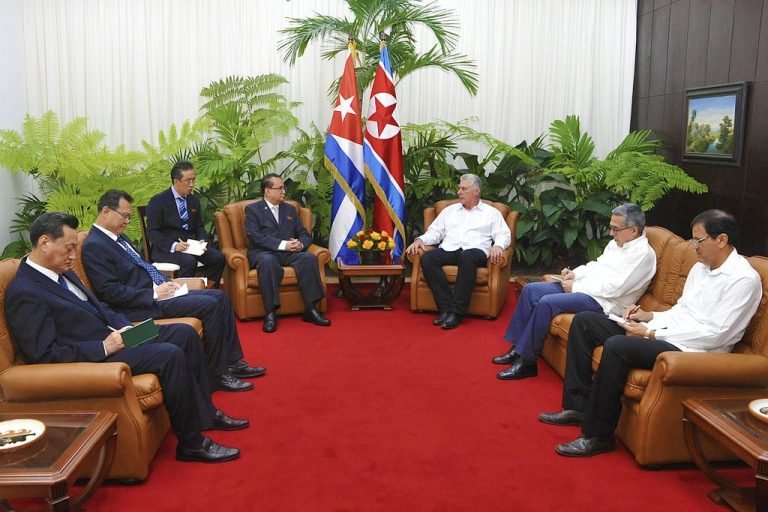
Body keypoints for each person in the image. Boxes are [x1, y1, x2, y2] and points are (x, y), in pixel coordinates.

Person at [6, 212, 247, 463]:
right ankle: (193, 444)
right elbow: (44, 354)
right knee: (169, 355)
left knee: (184, 333)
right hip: (99, 355)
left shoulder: (60, 270)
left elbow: (101, 308)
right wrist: (102, 347)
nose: (73, 256)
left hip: (118, 337)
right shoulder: (25, 291)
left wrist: (127, 328)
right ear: (44, 243)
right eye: (69, 248)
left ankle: (206, 413)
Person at [539, 210, 761, 457]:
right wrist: (649, 316)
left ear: (721, 240)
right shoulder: (701, 268)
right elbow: (682, 311)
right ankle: (578, 407)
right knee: (585, 323)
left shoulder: (743, 280)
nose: (693, 246)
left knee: (617, 347)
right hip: (669, 332)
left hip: (694, 350)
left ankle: (598, 435)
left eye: (698, 241)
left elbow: (716, 334)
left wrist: (652, 333)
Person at [82, 189, 265, 393]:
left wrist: (163, 283)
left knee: (221, 297)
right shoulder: (95, 245)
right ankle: (219, 373)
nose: (127, 221)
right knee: (210, 305)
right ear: (106, 211)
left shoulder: (118, 237)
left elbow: (141, 266)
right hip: (140, 306)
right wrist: (154, 293)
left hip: (157, 292)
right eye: (124, 216)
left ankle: (232, 361)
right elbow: (110, 293)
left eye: (129, 217)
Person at [493, 203, 656, 380]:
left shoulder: (643, 255)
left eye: (615, 229)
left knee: (547, 302)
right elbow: (596, 265)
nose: (611, 233)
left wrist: (576, 287)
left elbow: (615, 288)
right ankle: (517, 349)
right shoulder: (617, 243)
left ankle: (527, 362)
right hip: (586, 290)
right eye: (611, 228)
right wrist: (574, 274)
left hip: (605, 304)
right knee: (531, 290)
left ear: (633, 230)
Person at [405, 174, 511, 329]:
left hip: (476, 251)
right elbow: (435, 232)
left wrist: (498, 246)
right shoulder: (449, 211)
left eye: (464, 189)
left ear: (476, 191)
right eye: (459, 188)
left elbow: (503, 234)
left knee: (467, 257)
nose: (459, 192)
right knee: (428, 258)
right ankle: (446, 308)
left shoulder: (491, 213)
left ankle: (457, 312)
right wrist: (420, 240)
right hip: (451, 248)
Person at [245, 173, 330, 334]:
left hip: (290, 252)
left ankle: (310, 309)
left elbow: (304, 234)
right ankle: (270, 312)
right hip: (265, 252)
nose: (284, 191)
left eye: (284, 187)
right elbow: (255, 236)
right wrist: (283, 245)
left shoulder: (290, 209)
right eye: (279, 188)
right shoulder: (253, 210)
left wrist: (300, 244)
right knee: (268, 262)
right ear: (267, 191)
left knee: (308, 258)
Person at [146, 161, 225, 288]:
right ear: (176, 181)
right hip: (166, 248)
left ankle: (207, 289)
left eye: (193, 180)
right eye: (188, 181)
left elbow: (199, 226)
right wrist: (174, 245)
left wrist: (202, 241)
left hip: (190, 246)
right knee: (188, 261)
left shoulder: (193, 201)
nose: (192, 184)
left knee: (218, 257)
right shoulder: (158, 201)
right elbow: (152, 232)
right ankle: (186, 297)